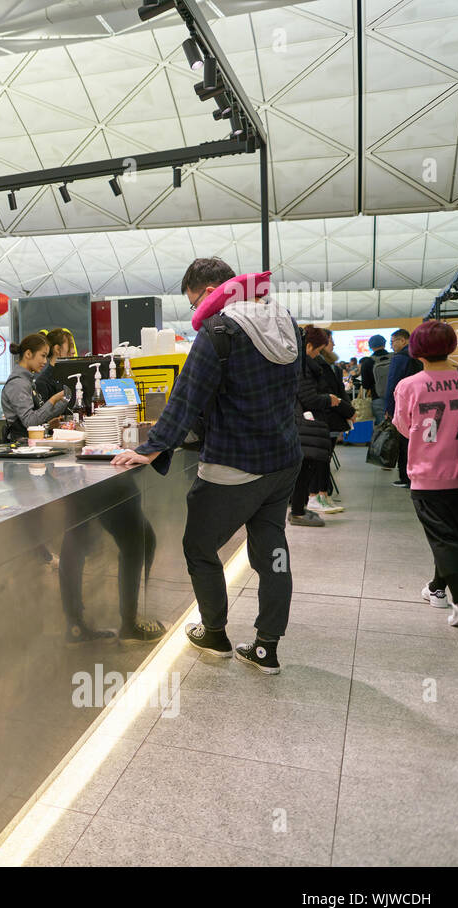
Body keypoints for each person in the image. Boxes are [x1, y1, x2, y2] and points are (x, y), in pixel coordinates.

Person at [113, 258, 302, 675]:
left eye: (195, 299)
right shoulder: (284, 319)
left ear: (208, 289)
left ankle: (213, 632)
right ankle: (267, 647)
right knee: (272, 549)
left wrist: (152, 448)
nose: (198, 309)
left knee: (199, 546)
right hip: (283, 459)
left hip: (233, 464)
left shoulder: (219, 329)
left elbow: (187, 396)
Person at [392, 320, 458, 627]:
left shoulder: (409, 386)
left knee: (444, 539)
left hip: (428, 474)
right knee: (453, 537)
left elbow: (403, 427)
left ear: (417, 350)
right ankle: (436, 588)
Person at [291, 327, 347, 525]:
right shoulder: (302, 365)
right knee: (304, 468)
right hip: (304, 423)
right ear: (308, 345)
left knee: (306, 468)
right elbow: (308, 397)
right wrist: (329, 399)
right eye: (317, 349)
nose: (318, 354)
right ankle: (298, 511)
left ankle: (301, 508)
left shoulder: (302, 363)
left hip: (304, 422)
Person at [1, 332, 70, 441]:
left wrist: (48, 423)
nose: (44, 361)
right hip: (21, 449)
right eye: (42, 356)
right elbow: (30, 421)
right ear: (28, 354)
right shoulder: (18, 384)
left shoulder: (27, 381)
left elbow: (35, 417)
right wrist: (53, 400)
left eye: (46, 356)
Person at [385, 327, 423, 487]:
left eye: (393, 342)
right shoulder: (419, 356)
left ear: (403, 340)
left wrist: (389, 408)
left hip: (404, 405)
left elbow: (392, 384)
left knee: (404, 442)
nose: (392, 346)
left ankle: (406, 477)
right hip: (420, 404)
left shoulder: (400, 358)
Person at [34, 328, 78, 411]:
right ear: (57, 349)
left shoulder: (75, 377)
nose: (73, 351)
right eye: (70, 346)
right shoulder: (43, 382)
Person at [359, 334, 392, 422]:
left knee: (383, 426)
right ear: (384, 344)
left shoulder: (367, 362)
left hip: (378, 398)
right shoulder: (395, 358)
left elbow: (366, 385)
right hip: (397, 396)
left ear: (370, 346)